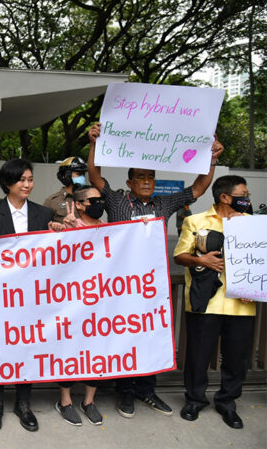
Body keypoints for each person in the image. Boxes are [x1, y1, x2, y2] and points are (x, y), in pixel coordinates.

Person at [87, 122, 224, 419]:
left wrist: (211, 160)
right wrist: (94, 143)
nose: (147, 181)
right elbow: (95, 176)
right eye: (141, 177)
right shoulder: (117, 200)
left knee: (150, 335)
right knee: (125, 335)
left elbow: (199, 188)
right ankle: (124, 390)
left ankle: (146, 390)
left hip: (152, 285)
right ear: (130, 181)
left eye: (150, 177)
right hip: (120, 284)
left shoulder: (165, 202)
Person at [0, 158, 53, 433]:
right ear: (7, 183)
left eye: (30, 179)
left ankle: (23, 402)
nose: (27, 184)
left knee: (26, 348)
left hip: (31, 297)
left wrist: (65, 231)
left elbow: (55, 251)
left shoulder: (42, 214)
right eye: (22, 180)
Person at [174, 175, 256, 429]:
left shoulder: (254, 225)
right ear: (225, 197)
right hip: (204, 302)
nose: (247, 199)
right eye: (243, 195)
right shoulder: (195, 221)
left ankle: (227, 403)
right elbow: (180, 256)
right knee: (198, 356)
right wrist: (202, 261)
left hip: (242, 303)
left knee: (237, 358)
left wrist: (253, 286)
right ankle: (195, 400)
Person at [54, 185, 106, 426]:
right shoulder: (69, 227)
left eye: (101, 199)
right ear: (81, 204)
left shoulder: (110, 230)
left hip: (102, 302)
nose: (100, 203)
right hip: (72, 303)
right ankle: (65, 400)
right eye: (94, 200)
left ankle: (89, 401)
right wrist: (68, 230)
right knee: (70, 349)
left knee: (96, 351)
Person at [43, 157, 87, 223]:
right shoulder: (51, 201)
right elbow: (43, 227)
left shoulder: (88, 199)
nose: (82, 177)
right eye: (79, 174)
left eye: (83, 174)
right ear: (67, 175)